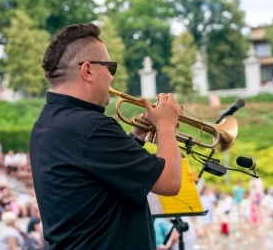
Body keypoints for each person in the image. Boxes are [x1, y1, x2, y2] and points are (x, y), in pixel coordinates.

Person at [29, 23, 183, 249]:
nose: (111, 78)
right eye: (110, 67)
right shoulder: (92, 128)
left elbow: (98, 184)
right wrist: (166, 125)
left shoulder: (47, 123)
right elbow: (170, 182)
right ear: (88, 70)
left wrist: (136, 138)